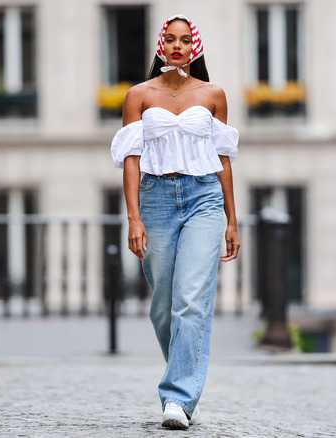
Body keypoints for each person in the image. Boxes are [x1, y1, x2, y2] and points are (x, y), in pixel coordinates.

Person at [110, 14, 240, 430]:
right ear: (161, 46)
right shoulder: (138, 95)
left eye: (186, 40)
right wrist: (133, 217)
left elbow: (223, 162)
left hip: (204, 198)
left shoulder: (214, 94)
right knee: (164, 307)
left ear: (195, 47)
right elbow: (131, 161)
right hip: (157, 200)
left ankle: (178, 398)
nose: (178, 46)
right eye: (171, 39)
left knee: (189, 299)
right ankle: (186, 369)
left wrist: (231, 221)